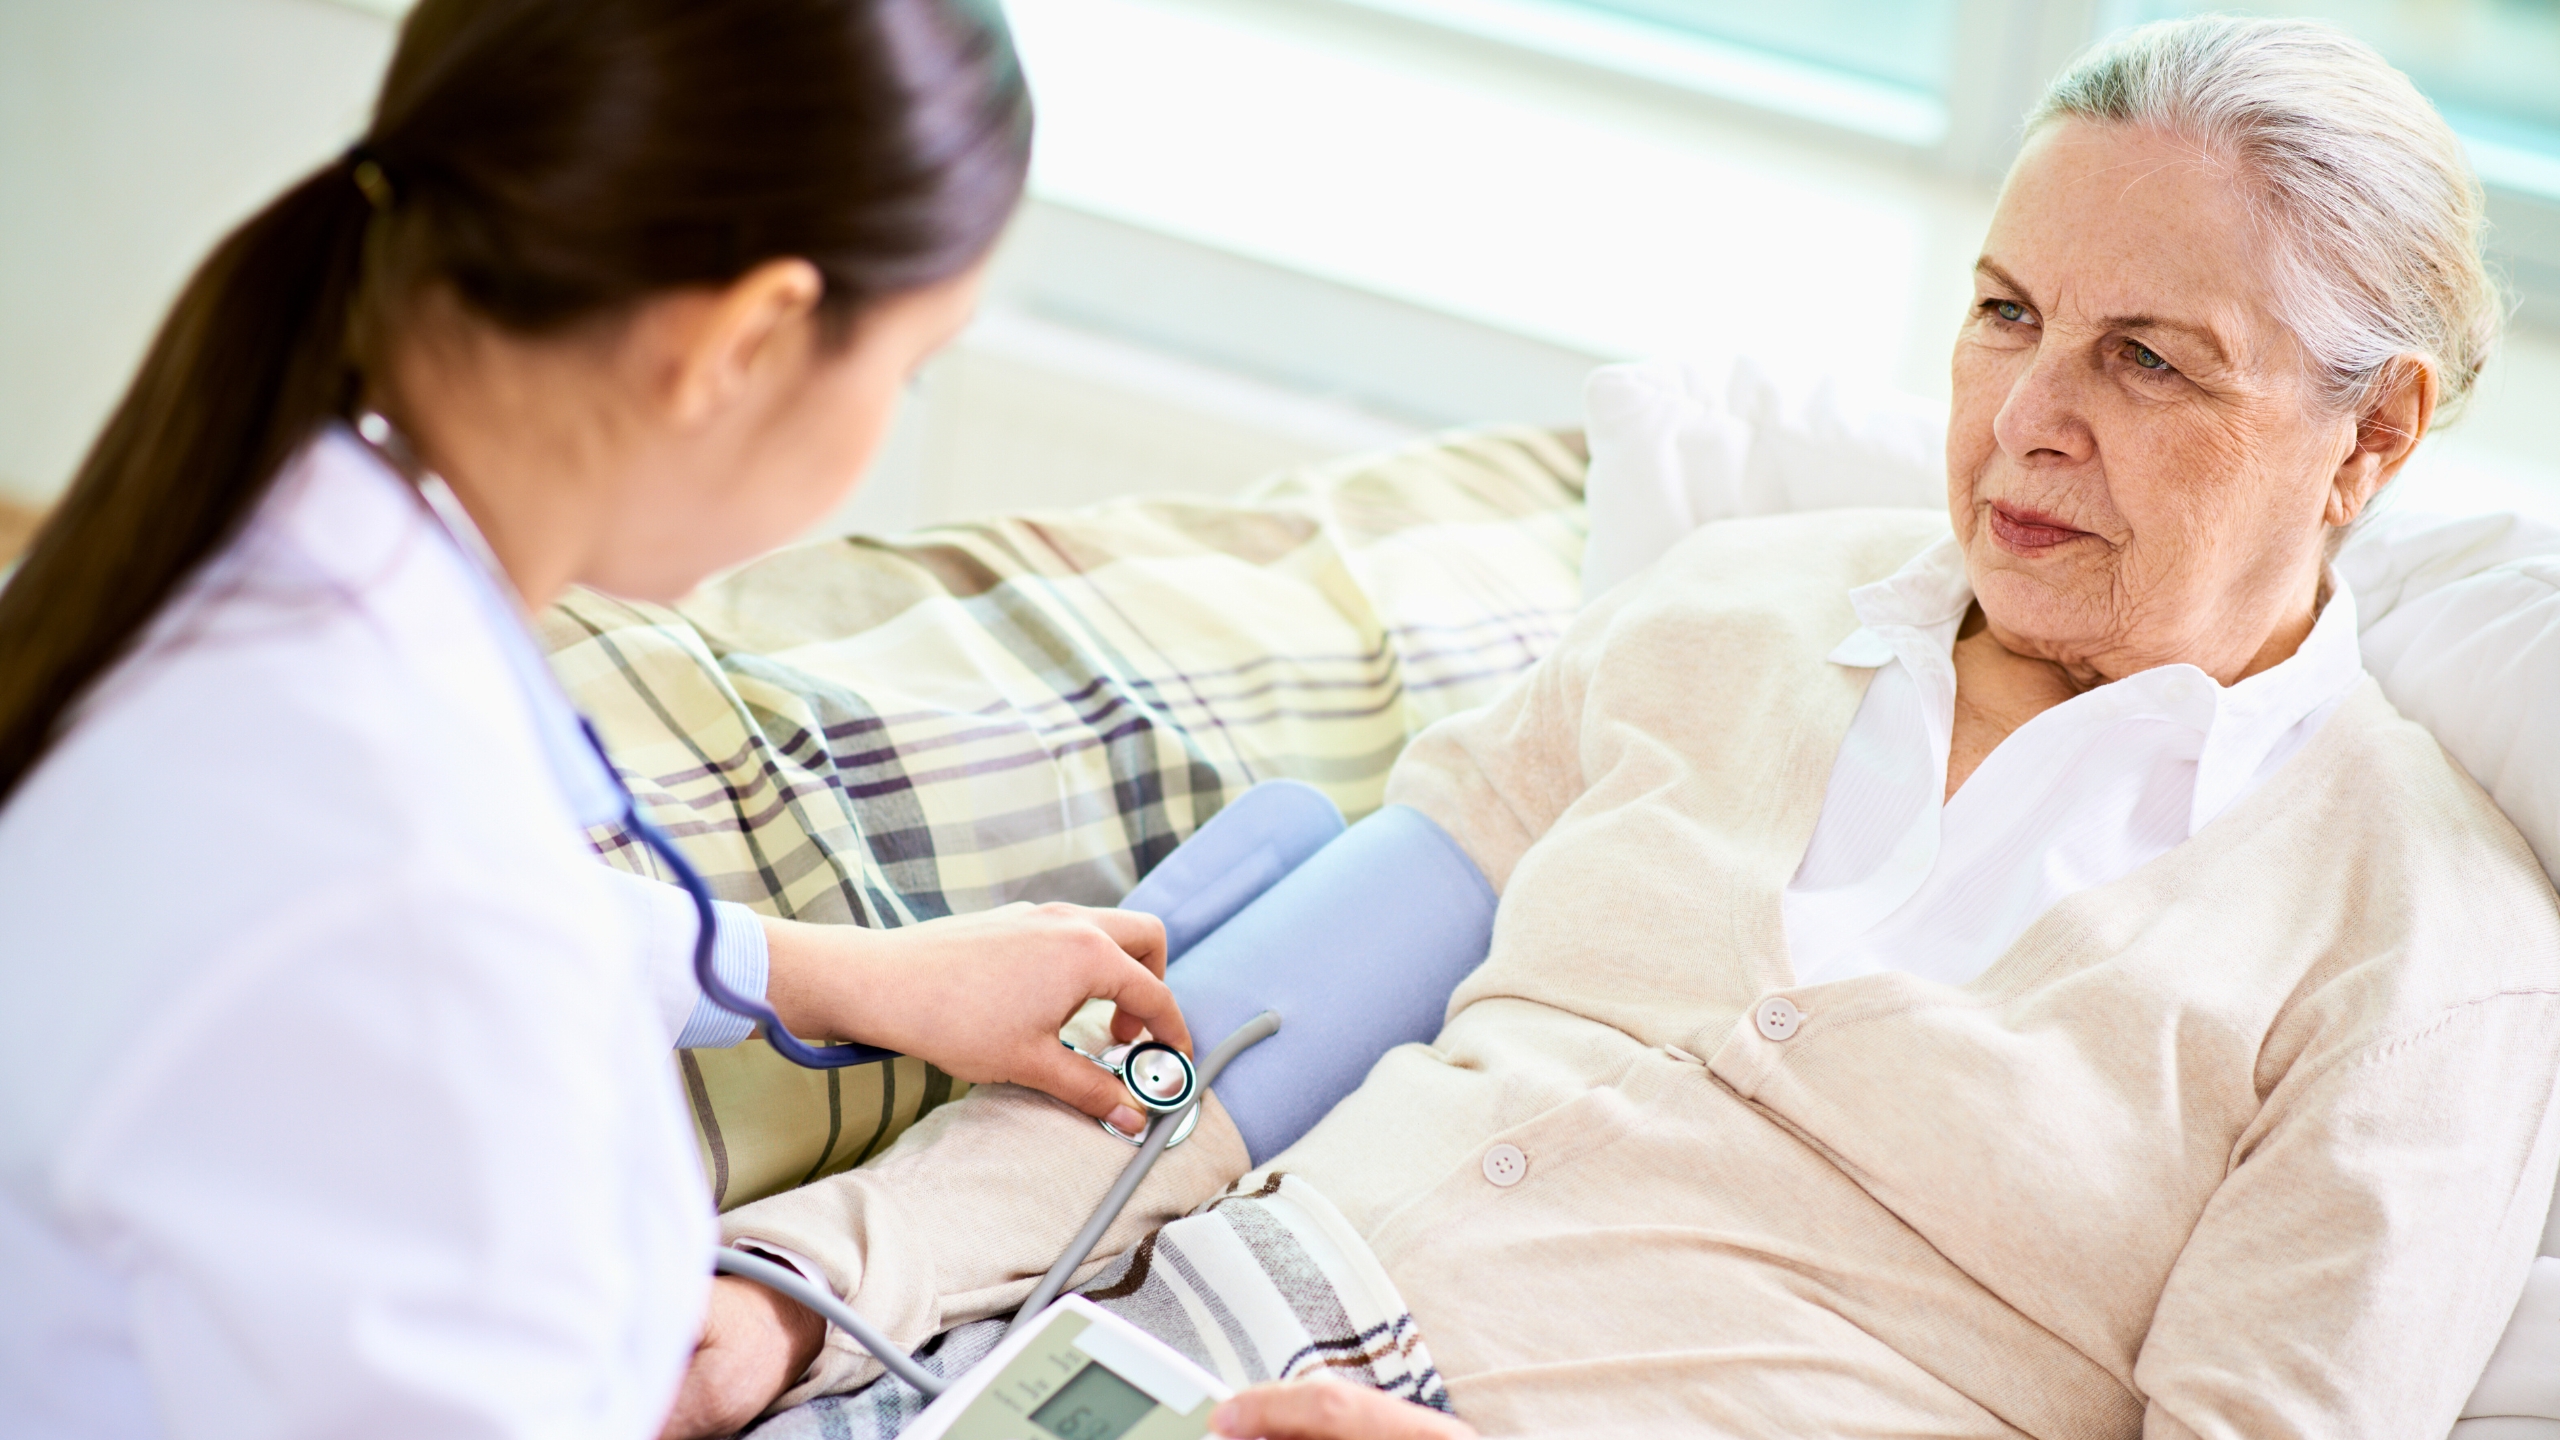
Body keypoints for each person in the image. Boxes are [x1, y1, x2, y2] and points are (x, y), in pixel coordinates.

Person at [687, 16, 2560, 1439]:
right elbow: (1221, 1060)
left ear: (2374, 436)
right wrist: (802, 1288)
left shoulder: (2425, 962)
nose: (2024, 422)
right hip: (1085, 1373)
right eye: (2006, 315)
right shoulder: (1732, 607)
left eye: (2146, 359)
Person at [0, 2, 1203, 1436]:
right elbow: (406, 951)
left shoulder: (247, 554)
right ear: (748, 340)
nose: (894, 411)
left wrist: (821, 972)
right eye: (910, 365)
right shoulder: (396, 898)